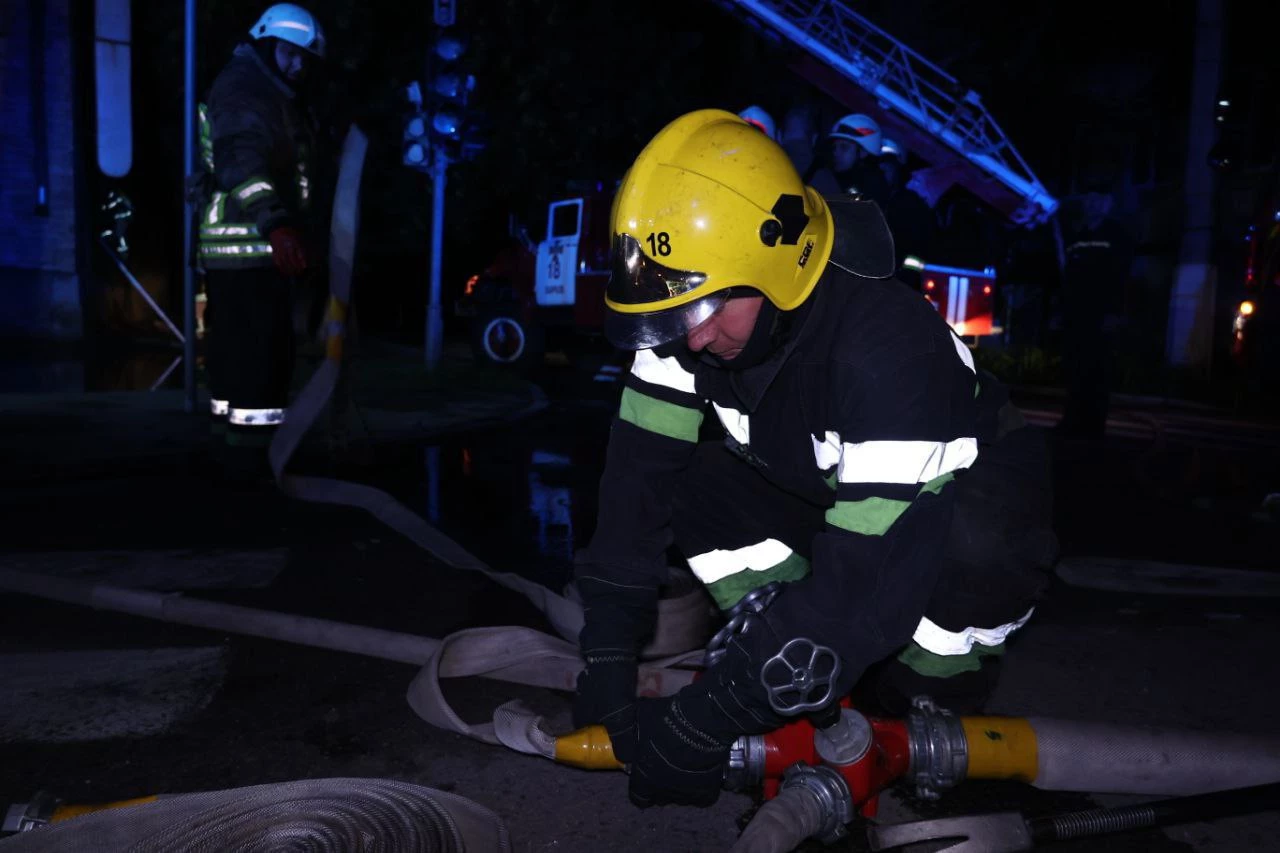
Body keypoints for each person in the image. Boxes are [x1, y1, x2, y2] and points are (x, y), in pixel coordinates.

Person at [573, 110, 1057, 808]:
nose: (693, 338)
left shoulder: (889, 349)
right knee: (694, 480)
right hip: (830, 492)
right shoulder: (692, 326)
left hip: (951, 511)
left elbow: (867, 571)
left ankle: (924, 708)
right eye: (674, 313)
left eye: (706, 309)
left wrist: (709, 716)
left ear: (777, 266)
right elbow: (635, 491)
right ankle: (788, 666)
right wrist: (608, 652)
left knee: (976, 552)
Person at [193, 3, 325, 478]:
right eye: (290, 53)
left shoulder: (266, 90)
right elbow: (241, 164)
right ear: (267, 44)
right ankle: (256, 464)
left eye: (303, 58)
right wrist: (277, 225)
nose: (298, 66)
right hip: (250, 248)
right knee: (259, 364)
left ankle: (235, 456)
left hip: (251, 252)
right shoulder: (245, 89)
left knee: (238, 363)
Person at [1057, 182, 1134, 439]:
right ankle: (1072, 420)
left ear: (1108, 204)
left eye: (1098, 200)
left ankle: (1093, 426)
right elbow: (1069, 276)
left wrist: (1115, 312)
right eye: (1088, 200)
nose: (1092, 205)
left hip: (1102, 315)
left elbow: (1121, 277)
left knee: (1098, 369)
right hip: (1077, 314)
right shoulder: (1077, 237)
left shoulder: (1116, 235)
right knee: (1075, 367)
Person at [875, 137, 934, 283]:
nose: (881, 168)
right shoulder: (871, 198)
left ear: (898, 167)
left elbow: (918, 250)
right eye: (878, 162)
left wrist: (905, 277)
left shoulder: (911, 203)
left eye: (887, 162)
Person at [826, 113, 891, 203]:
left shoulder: (873, 191)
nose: (835, 153)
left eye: (844, 147)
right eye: (834, 147)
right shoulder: (833, 176)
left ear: (863, 152)